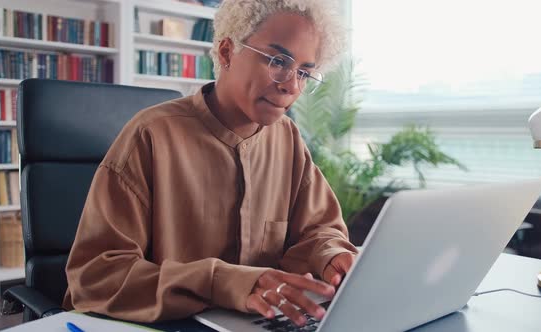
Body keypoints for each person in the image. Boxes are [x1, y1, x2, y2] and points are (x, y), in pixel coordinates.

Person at [63, 0, 358, 327]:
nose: (291, 85)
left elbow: (318, 229)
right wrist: (223, 281)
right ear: (227, 52)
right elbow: (95, 276)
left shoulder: (287, 138)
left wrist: (330, 255)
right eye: (278, 61)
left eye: (304, 72)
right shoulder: (150, 136)